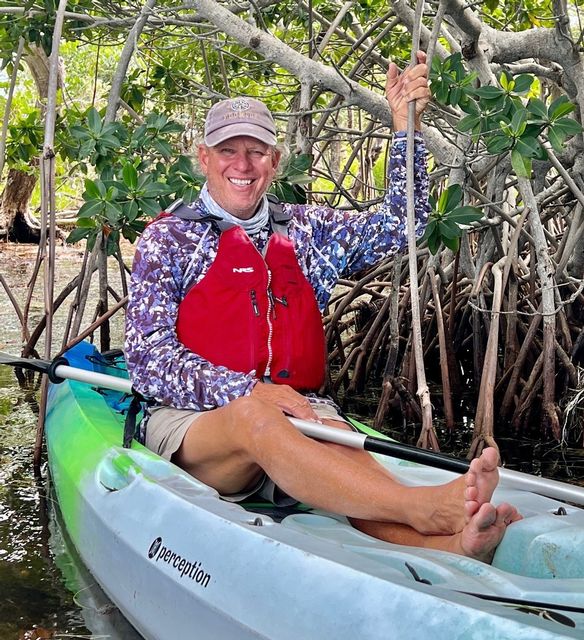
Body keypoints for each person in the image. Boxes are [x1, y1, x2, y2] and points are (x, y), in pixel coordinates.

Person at [125, 52, 519, 563]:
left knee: (336, 440)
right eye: (228, 150)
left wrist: (405, 129)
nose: (242, 165)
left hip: (297, 412)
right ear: (204, 157)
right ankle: (425, 507)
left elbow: (403, 227)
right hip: (195, 423)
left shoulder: (308, 229)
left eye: (257, 151)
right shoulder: (168, 239)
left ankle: (452, 545)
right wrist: (250, 391)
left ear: (275, 159)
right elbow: (148, 361)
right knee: (255, 419)